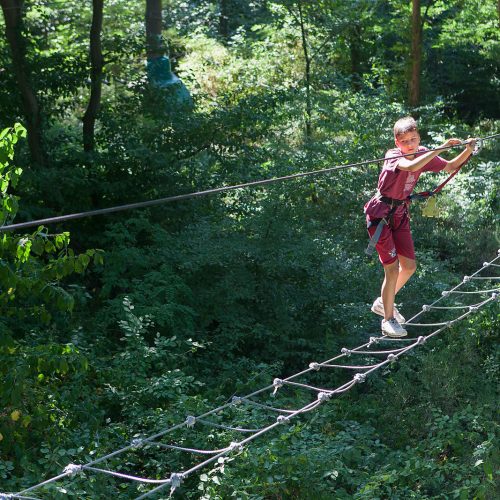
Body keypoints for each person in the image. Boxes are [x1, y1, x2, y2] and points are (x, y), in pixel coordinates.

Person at [364, 116, 476, 337]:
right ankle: (388, 320)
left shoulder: (423, 151)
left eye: (413, 139)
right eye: (405, 141)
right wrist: (441, 148)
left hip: (400, 213)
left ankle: (383, 301)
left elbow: (451, 166)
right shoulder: (393, 156)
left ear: (419, 138)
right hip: (380, 215)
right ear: (397, 143)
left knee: (409, 266)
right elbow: (412, 165)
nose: (410, 144)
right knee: (392, 268)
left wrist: (468, 151)